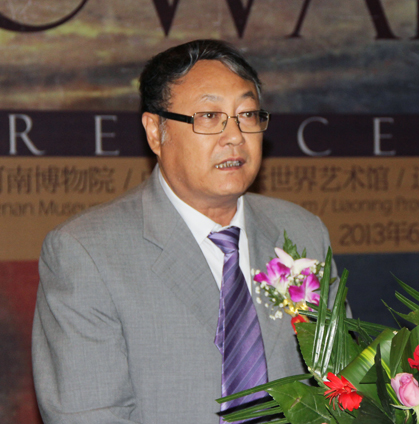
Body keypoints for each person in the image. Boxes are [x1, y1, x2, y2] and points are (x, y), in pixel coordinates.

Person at [32, 39, 338, 424]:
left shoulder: (303, 232)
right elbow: (88, 414)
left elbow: (339, 387)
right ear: (155, 132)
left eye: (247, 115)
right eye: (209, 116)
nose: (235, 136)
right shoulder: (87, 253)